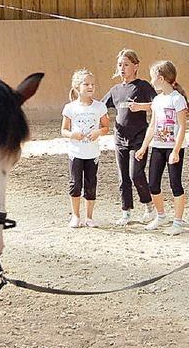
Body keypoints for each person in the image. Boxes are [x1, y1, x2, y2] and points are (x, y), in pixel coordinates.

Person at [101, 49, 157, 226]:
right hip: (120, 139)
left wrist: (142, 107)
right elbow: (100, 107)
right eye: (119, 65)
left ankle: (149, 207)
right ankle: (126, 212)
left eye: (126, 64)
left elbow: (158, 104)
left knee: (136, 174)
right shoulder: (115, 90)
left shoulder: (143, 86)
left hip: (139, 138)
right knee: (122, 177)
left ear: (135, 66)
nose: (122, 68)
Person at [135, 61, 187, 236]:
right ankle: (161, 215)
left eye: (152, 77)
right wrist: (143, 147)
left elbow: (182, 126)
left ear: (161, 78)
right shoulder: (157, 100)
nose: (151, 81)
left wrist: (175, 150)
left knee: (175, 184)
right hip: (158, 146)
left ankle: (178, 222)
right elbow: (153, 126)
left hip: (173, 148)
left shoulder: (177, 99)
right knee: (153, 184)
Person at [61, 69, 109, 228]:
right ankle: (75, 216)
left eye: (92, 84)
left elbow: (106, 127)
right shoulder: (70, 108)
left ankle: (89, 217)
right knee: (75, 184)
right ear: (76, 87)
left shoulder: (100, 106)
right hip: (76, 153)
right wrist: (73, 134)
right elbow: (64, 130)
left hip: (92, 153)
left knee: (91, 184)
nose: (90, 87)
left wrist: (98, 132)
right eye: (86, 84)